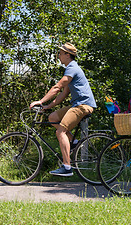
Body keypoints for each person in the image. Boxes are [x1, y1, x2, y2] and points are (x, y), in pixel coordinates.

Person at [29, 42, 97, 177]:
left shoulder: (72, 68)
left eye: (60, 54)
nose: (58, 56)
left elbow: (57, 87)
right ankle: (73, 143)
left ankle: (67, 167)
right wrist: (47, 107)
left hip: (83, 105)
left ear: (67, 55)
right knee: (53, 117)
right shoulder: (71, 69)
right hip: (77, 104)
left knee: (60, 132)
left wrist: (40, 101)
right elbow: (64, 93)